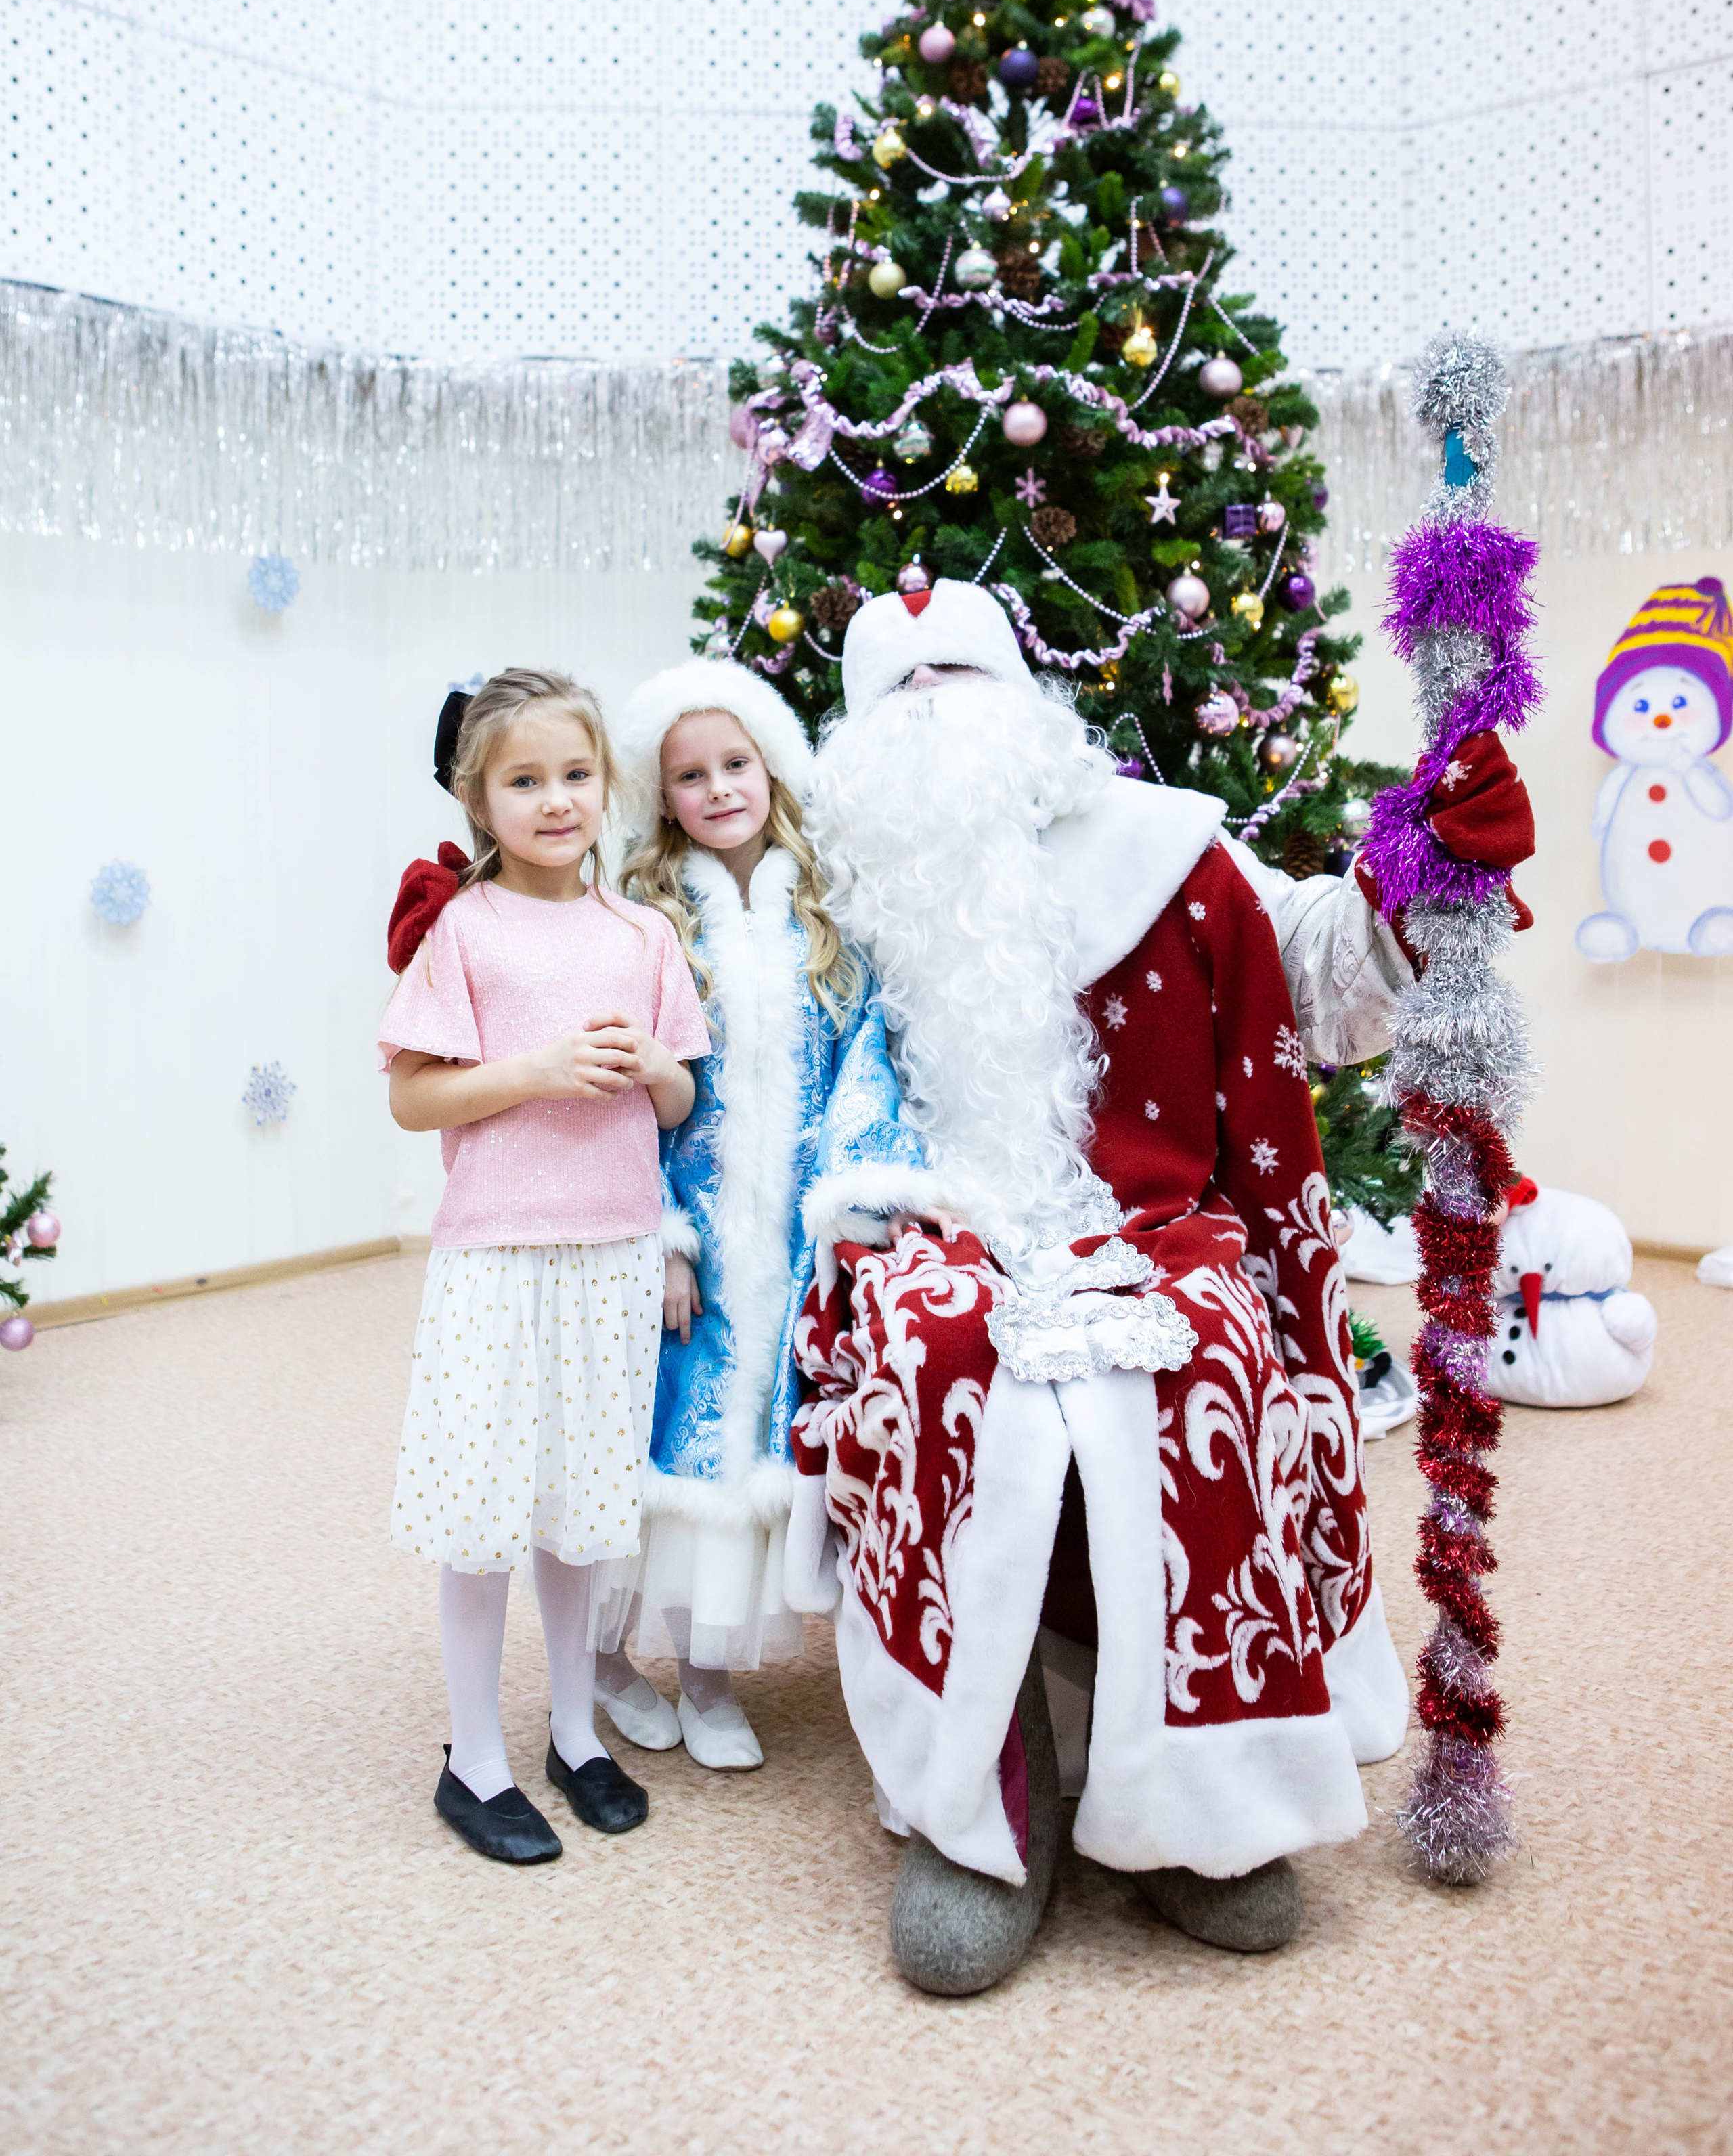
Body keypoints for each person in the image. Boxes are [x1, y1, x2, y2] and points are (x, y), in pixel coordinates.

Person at [782, 579, 1535, 1993]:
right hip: (931, 1220)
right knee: (931, 1354)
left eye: (961, 678)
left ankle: (1202, 1810)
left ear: (1025, 701)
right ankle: (988, 1797)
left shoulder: (1161, 846)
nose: (936, 713)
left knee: (1198, 1355)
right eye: (901, 693)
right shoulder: (846, 889)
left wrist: (1420, 878)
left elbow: (1318, 983)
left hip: (1160, 1217)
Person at [379, 666, 711, 1864]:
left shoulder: (644, 934)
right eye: (526, 780)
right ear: (481, 799)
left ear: (605, 787)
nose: (557, 801)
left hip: (614, 1253)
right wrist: (536, 1069)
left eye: (576, 776)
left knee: (579, 1516)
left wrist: (648, 1072)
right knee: (484, 1516)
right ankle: (474, 1760)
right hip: (499, 1254)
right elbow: (415, 1099)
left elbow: (679, 1094)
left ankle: (576, 1731)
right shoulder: (465, 931)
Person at [584, 661, 917, 1769]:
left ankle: (710, 1679)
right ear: (663, 793)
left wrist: (854, 1201)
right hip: (682, 1228)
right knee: (653, 1445)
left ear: (772, 769)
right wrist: (667, 1235)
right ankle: (602, 1661)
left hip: (783, 1243)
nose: (720, 788)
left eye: (737, 764)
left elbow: (874, 1057)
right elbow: (632, 1091)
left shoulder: (828, 915)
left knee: (737, 1466)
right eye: (691, 775)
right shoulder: (642, 922)